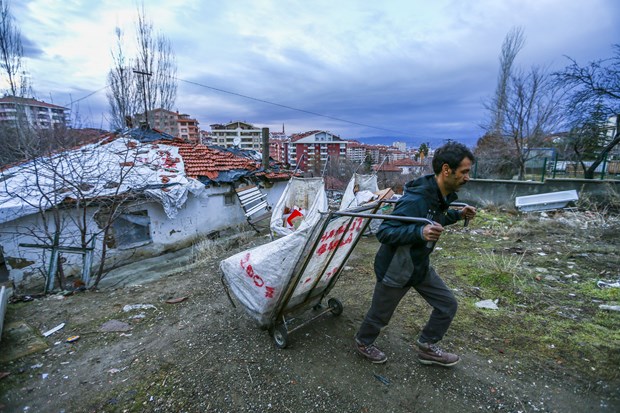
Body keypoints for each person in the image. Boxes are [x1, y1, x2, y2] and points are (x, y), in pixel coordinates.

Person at [354, 141, 477, 366]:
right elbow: (386, 231)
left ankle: (427, 347)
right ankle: (363, 342)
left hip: (419, 266)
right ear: (446, 170)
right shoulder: (417, 199)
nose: (468, 177)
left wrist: (458, 215)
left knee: (447, 304)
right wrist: (419, 232)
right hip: (396, 269)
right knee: (380, 315)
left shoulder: (438, 195)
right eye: (464, 172)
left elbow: (433, 220)